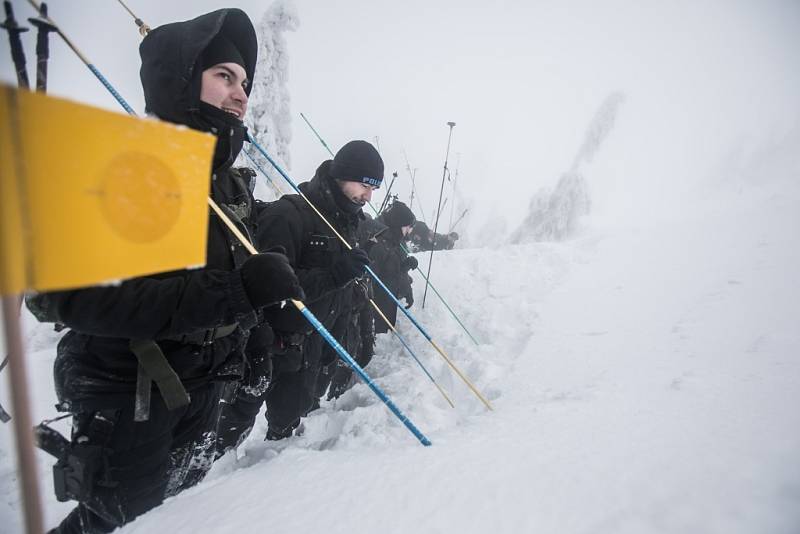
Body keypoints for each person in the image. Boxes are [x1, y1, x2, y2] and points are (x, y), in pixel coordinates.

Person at [25, 9, 303, 533]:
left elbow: (234, 275)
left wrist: (261, 328)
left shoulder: (228, 184)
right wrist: (235, 294)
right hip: (130, 390)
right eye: (224, 76)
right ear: (180, 79)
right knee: (118, 521)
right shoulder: (121, 164)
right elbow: (71, 297)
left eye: (244, 81)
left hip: (206, 378)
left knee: (176, 512)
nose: (241, 93)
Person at [215, 140, 382, 447]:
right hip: (265, 347)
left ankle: (275, 471)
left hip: (308, 350)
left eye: (374, 190)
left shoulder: (348, 225)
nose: (368, 197)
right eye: (364, 186)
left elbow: (340, 294)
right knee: (228, 435)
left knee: (285, 434)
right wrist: (336, 274)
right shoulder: (290, 214)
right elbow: (269, 283)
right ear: (342, 175)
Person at [366, 201, 417, 334]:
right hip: (374, 322)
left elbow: (394, 272)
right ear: (398, 224)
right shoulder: (380, 245)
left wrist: (406, 288)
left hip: (385, 317)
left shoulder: (394, 243)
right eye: (408, 227)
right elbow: (367, 285)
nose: (408, 232)